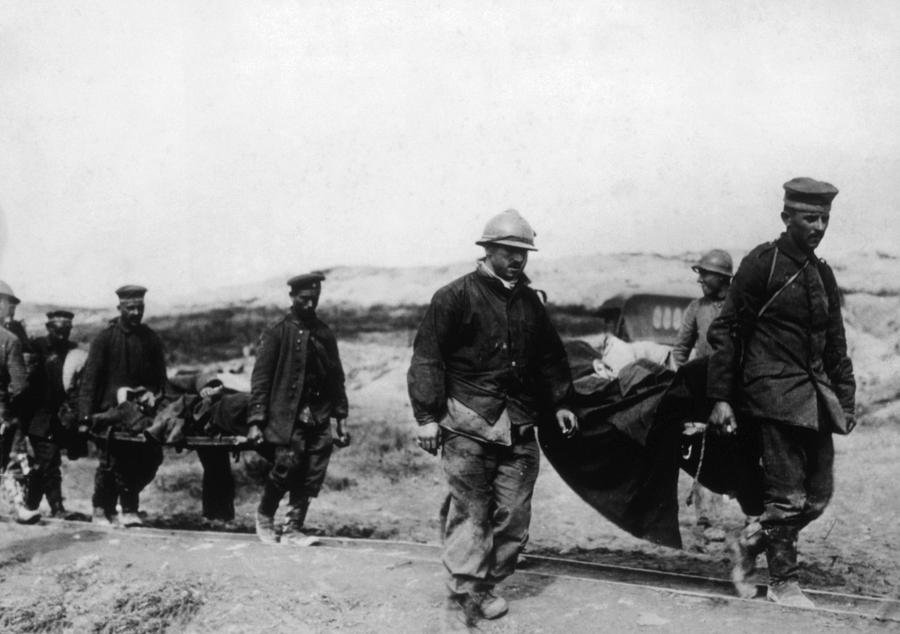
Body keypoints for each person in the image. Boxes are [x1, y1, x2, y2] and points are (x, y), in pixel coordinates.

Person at [407, 209, 578, 623]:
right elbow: (428, 358)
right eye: (508, 250)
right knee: (471, 511)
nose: (517, 259)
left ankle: (485, 585)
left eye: (523, 252)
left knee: (514, 515)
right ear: (487, 250)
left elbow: (551, 358)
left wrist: (561, 402)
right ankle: (466, 589)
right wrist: (428, 416)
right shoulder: (454, 296)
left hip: (518, 425)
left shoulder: (530, 303)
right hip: (468, 423)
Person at [707, 177, 856, 607]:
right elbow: (728, 328)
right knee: (787, 496)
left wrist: (844, 402)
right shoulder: (762, 264)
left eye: (825, 217)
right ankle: (784, 583)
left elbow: (835, 345)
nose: (819, 226)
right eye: (810, 217)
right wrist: (720, 396)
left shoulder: (822, 273)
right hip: (770, 394)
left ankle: (749, 543)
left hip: (813, 398)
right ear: (786, 217)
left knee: (819, 495)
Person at [248, 272, 350, 545]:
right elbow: (261, 379)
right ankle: (265, 516)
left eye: (314, 299)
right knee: (288, 464)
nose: (309, 305)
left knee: (314, 468)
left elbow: (335, 377)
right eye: (304, 299)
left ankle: (293, 527)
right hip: (285, 415)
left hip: (318, 413)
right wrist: (256, 419)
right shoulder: (276, 331)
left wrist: (340, 417)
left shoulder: (324, 333)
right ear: (292, 297)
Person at [78, 285, 167, 527]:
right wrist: (85, 419)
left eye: (140, 307)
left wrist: (154, 395)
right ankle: (102, 509)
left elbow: (161, 380)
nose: (136, 312)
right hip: (110, 414)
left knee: (148, 459)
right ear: (120, 308)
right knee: (111, 463)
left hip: (142, 415)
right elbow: (90, 380)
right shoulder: (105, 339)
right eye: (131, 308)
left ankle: (127, 507)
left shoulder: (150, 338)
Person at [672, 249, 733, 542]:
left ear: (722, 278)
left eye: (704, 275)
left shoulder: (740, 306)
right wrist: (685, 380)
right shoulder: (696, 308)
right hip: (703, 391)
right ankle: (708, 519)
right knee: (705, 452)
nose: (700, 281)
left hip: (736, 392)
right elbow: (681, 349)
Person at [20, 311, 80, 519]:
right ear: (48, 328)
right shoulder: (36, 348)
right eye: (57, 330)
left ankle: (29, 507)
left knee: (43, 464)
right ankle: (57, 509)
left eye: (67, 330)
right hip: (39, 416)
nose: (62, 334)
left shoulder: (73, 351)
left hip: (62, 417)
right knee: (50, 461)